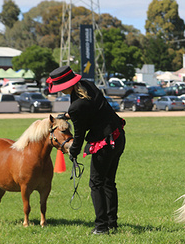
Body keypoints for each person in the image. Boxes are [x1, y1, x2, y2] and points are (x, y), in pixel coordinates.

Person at [47, 66, 126, 235]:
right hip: (118, 136)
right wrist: (67, 115)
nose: (59, 92)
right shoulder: (87, 85)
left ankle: (101, 227)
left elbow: (80, 134)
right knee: (108, 182)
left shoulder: (76, 106)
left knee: (96, 183)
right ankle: (111, 223)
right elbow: (91, 106)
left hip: (105, 142)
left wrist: (72, 152)